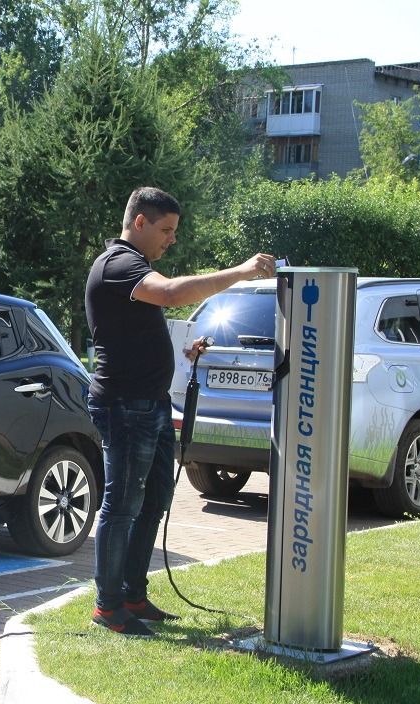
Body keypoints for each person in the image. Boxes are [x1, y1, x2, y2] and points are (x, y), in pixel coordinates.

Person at [85, 187, 276, 637]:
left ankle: (133, 594)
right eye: (166, 230)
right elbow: (170, 294)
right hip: (124, 405)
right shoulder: (119, 265)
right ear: (139, 223)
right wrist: (241, 272)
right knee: (123, 504)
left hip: (150, 403)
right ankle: (108, 607)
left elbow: (144, 325)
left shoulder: (135, 269)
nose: (171, 240)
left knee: (154, 501)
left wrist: (182, 351)